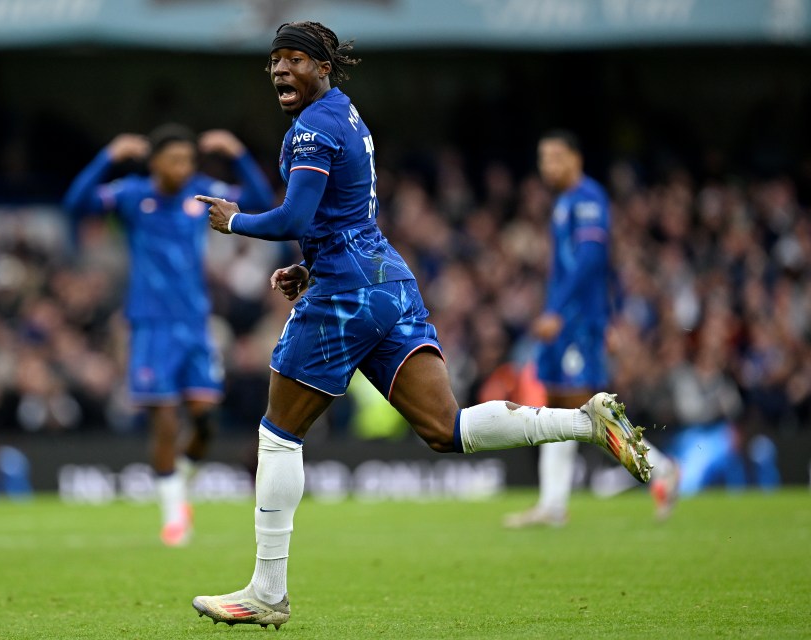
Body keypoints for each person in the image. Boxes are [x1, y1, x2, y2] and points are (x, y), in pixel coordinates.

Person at [190, 21, 651, 629]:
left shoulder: (311, 130)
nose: (281, 69)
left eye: (295, 59)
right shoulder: (346, 115)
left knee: (279, 435)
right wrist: (312, 265)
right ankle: (585, 421)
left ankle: (267, 591)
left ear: (323, 67)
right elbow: (343, 217)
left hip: (347, 295)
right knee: (444, 427)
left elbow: (294, 213)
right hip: (387, 280)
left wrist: (235, 222)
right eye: (275, 60)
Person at [62, 124, 274, 545]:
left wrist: (237, 153)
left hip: (195, 325)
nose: (183, 167)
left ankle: (181, 483)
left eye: (188, 160)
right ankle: (174, 515)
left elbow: (261, 202)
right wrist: (108, 156)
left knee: (205, 421)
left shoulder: (202, 192)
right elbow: (75, 203)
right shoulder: (131, 194)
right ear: (155, 162)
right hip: (151, 326)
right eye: (175, 159)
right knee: (163, 422)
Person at [503, 131, 679, 529]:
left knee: (587, 407)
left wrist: (560, 312)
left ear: (576, 159)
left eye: (555, 157)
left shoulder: (588, 200)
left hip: (578, 323)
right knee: (558, 408)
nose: (548, 166)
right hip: (569, 322)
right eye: (542, 158)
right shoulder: (564, 203)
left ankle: (661, 468)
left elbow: (591, 261)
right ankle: (552, 504)